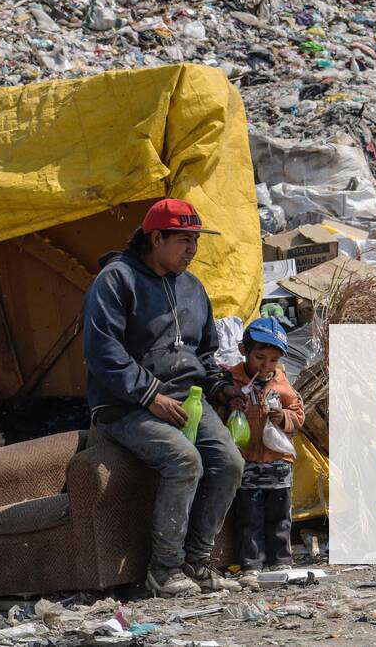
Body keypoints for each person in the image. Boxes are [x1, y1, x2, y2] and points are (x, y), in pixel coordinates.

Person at [83, 198, 245, 598]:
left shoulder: (192, 287)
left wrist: (222, 388)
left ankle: (197, 562)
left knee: (229, 462)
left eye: (196, 241)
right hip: (126, 404)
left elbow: (204, 353)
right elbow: (103, 351)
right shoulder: (116, 280)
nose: (193, 249)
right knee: (184, 459)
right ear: (156, 238)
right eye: (184, 240)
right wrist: (149, 394)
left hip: (187, 399)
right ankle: (165, 569)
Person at [219, 317, 305, 590]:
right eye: (259, 358)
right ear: (244, 350)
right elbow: (220, 411)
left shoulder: (283, 384)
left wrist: (283, 417)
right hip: (247, 460)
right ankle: (251, 565)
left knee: (280, 514)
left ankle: (280, 561)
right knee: (249, 515)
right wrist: (232, 406)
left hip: (278, 462)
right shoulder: (231, 381)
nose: (265, 366)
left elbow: (298, 415)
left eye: (273, 360)